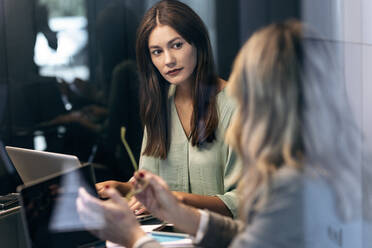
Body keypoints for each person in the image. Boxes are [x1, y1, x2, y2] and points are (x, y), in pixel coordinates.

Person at [77, 19, 365, 247]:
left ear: (269, 103)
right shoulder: (344, 165)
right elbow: (245, 236)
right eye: (157, 51)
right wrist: (169, 206)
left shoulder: (292, 185)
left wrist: (134, 239)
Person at [96, 0, 239, 217]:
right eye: (157, 52)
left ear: (198, 43)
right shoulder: (159, 105)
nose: (168, 60)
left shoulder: (238, 106)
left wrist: (174, 199)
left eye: (177, 45)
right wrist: (123, 189)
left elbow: (245, 201)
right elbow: (150, 184)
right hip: (168, 237)